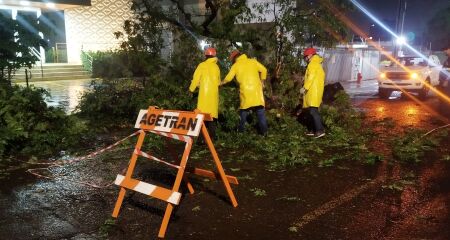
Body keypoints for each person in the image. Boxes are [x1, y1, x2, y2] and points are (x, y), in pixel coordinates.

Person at [222, 50, 268, 135]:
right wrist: (262, 82)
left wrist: (220, 83)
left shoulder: (235, 66)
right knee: (260, 112)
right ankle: (265, 133)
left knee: (243, 112)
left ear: (234, 58)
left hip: (246, 92)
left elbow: (228, 78)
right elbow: (264, 70)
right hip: (257, 93)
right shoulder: (253, 61)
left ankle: (240, 132)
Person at [189, 47, 221, 139]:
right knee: (212, 117)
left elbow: (195, 79)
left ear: (206, 56)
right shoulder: (216, 67)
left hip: (204, 95)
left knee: (201, 117)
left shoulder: (202, 65)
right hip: (213, 96)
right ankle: (212, 138)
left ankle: (200, 139)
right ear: (214, 56)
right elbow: (218, 83)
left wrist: (191, 89)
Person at [301, 47, 325, 138]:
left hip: (313, 91)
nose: (305, 58)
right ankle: (312, 130)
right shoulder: (316, 63)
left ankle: (320, 130)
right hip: (314, 90)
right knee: (310, 111)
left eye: (306, 57)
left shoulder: (313, 63)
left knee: (313, 111)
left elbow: (311, 77)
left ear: (310, 55)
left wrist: (305, 87)